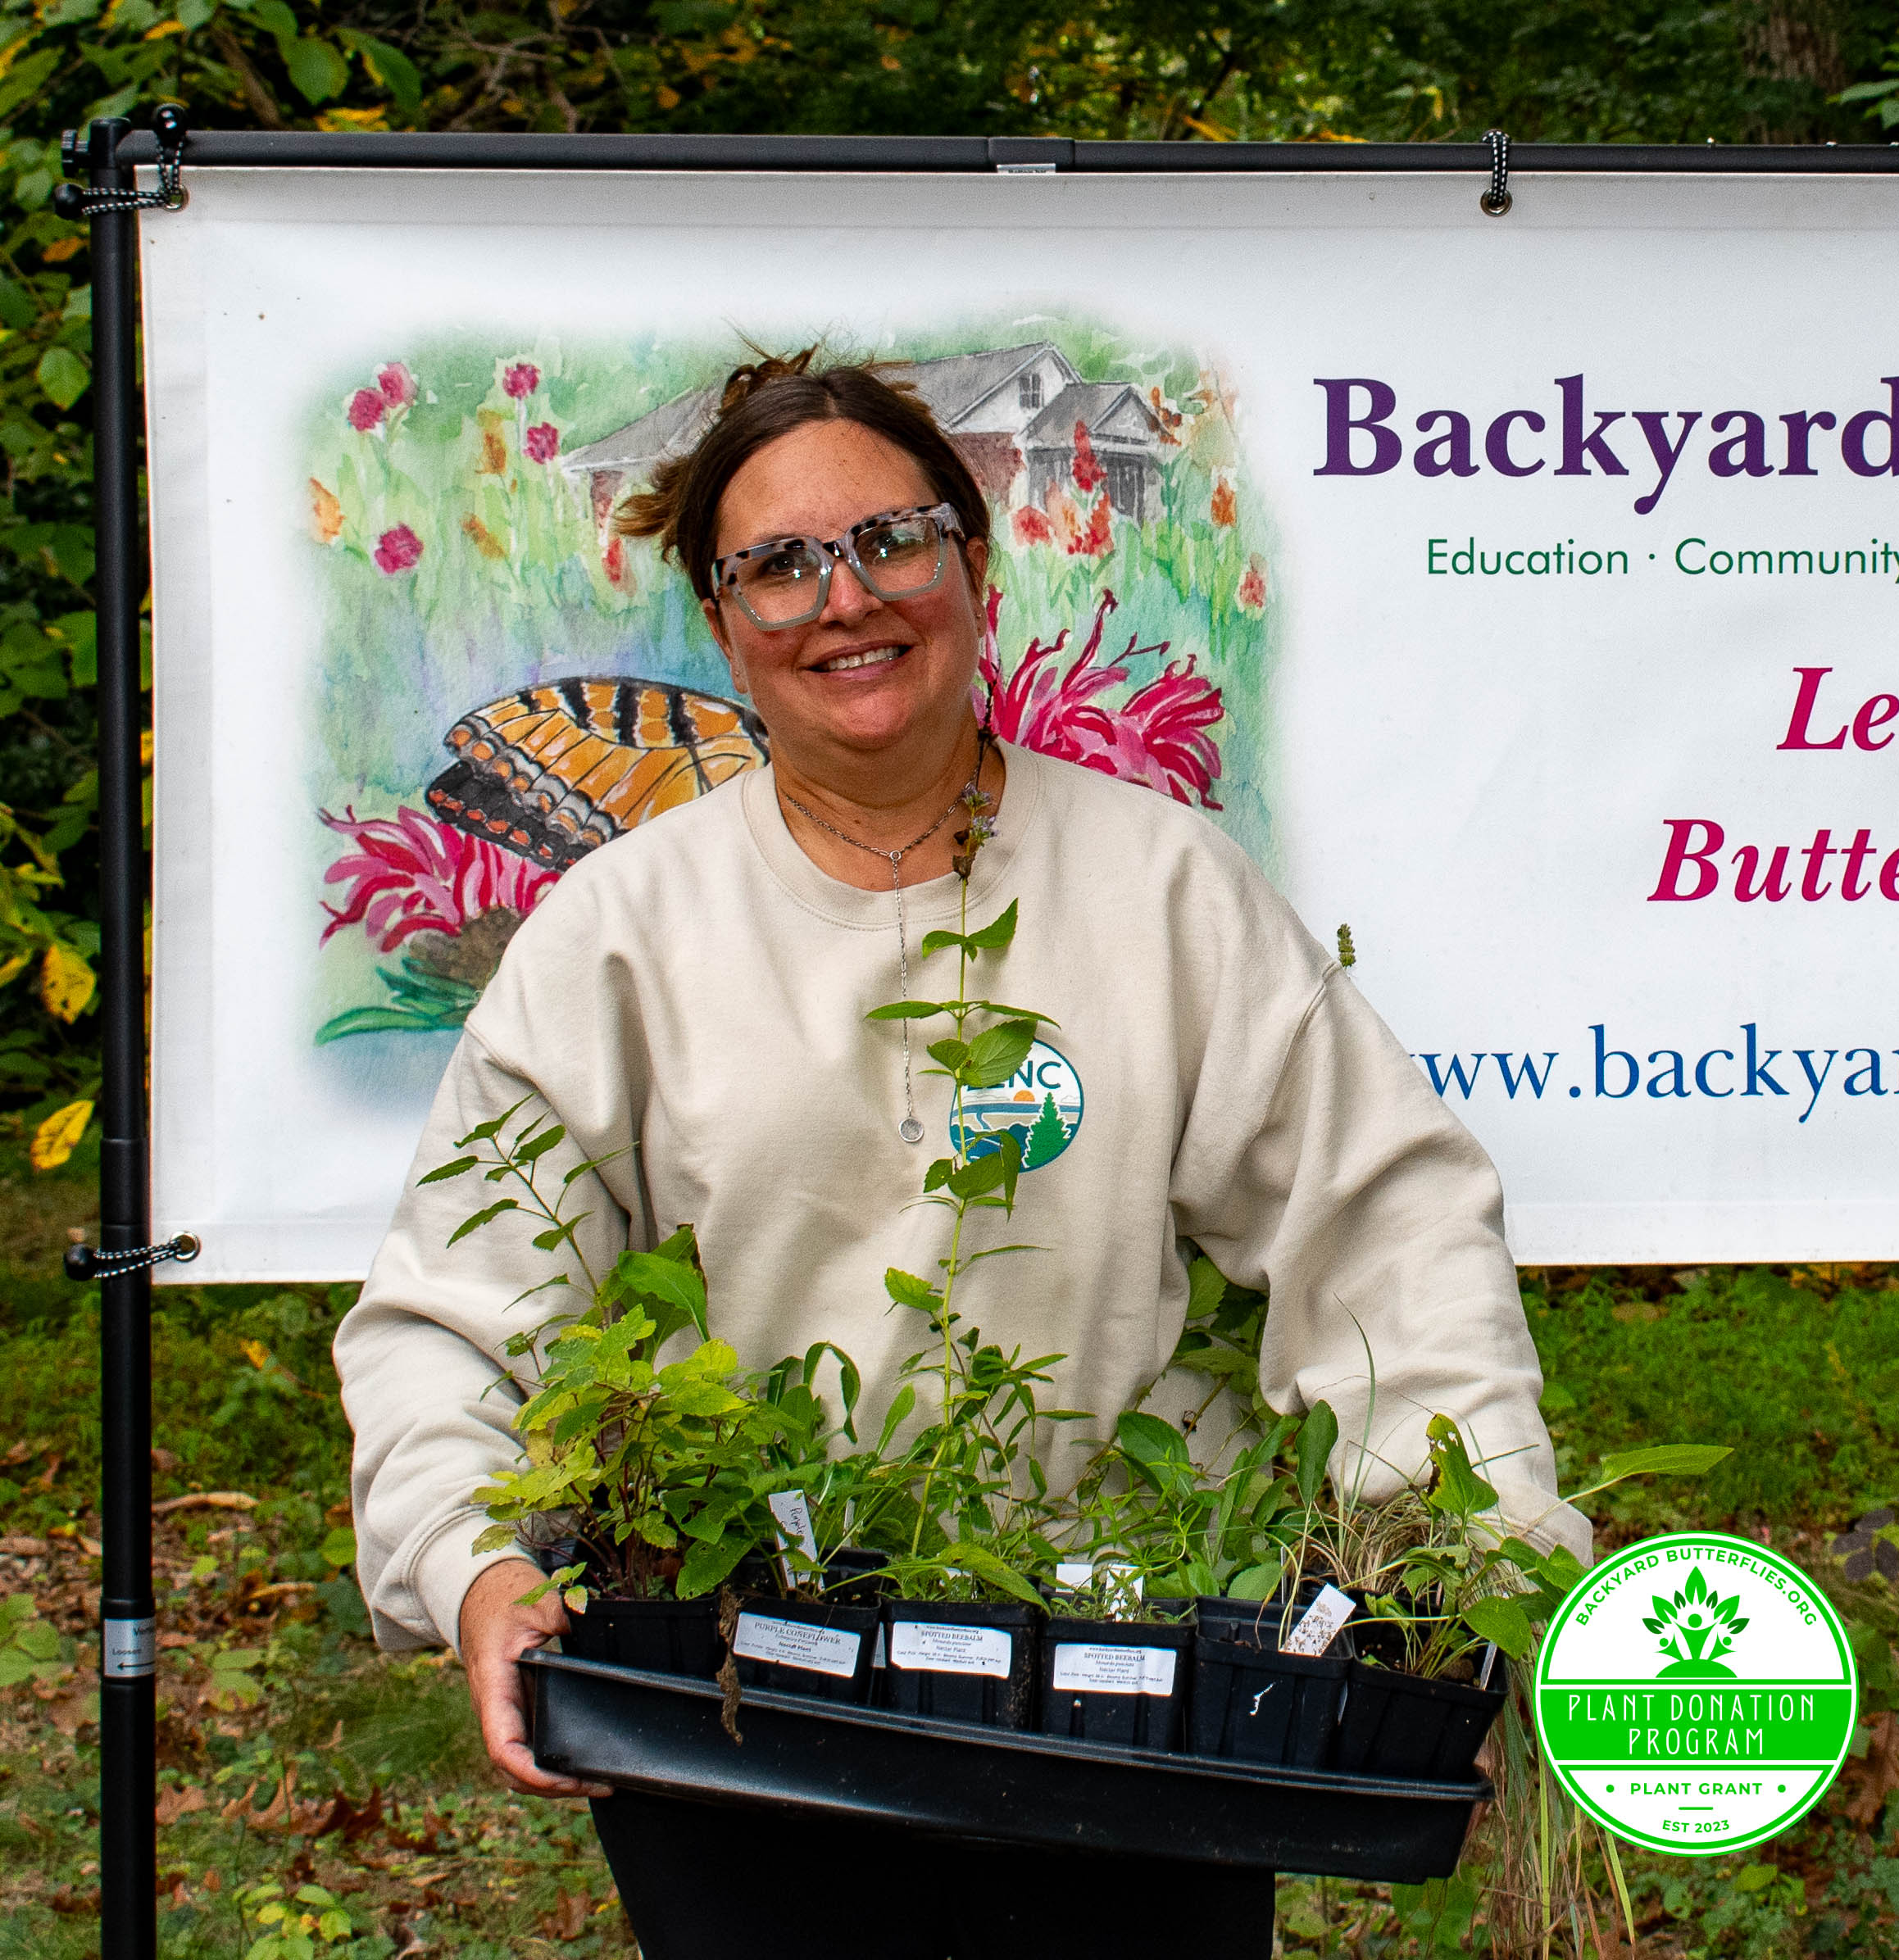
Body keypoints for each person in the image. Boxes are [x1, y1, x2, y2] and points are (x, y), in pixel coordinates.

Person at [336, 348, 1588, 1959]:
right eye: (776, 565)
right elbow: (452, 1303)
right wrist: (472, 1559)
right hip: (735, 1698)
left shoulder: (1160, 890)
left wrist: (1452, 1560)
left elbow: (1381, 1225)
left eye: (889, 539)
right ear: (720, 626)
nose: (841, 597)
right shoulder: (624, 931)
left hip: (1129, 1700)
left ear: (972, 568)